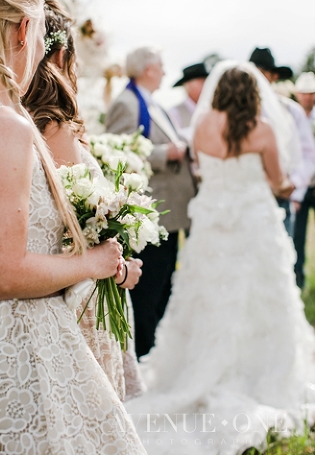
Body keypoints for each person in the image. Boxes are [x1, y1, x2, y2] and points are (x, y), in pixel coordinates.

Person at [0, 0, 144, 454]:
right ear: (25, 29)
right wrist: (92, 261)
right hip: (23, 347)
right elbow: (3, 271)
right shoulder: (2, 127)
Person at [127, 62, 315, 454]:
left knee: (207, 296)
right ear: (253, 94)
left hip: (212, 225)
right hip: (252, 224)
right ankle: (261, 370)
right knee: (260, 300)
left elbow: (199, 167)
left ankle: (196, 369)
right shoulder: (260, 129)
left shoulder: (201, 125)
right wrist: (291, 183)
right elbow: (277, 181)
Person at [22, 0, 145, 401]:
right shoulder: (53, 125)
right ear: (60, 53)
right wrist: (122, 270)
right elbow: (73, 226)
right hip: (77, 295)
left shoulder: (18, 118)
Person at [105, 46, 196, 358]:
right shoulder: (126, 103)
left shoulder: (152, 102)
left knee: (164, 282)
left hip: (170, 209)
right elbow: (117, 152)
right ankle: (141, 351)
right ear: (146, 69)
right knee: (150, 286)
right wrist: (164, 154)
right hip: (152, 210)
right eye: (160, 66)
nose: (165, 72)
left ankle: (151, 346)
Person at [250, 47, 314, 240]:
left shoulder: (291, 111)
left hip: (280, 198)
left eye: (262, 73)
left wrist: (294, 187)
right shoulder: (235, 113)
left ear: (273, 76)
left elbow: (308, 154)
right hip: (246, 199)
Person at [294, 71, 315, 287]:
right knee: (297, 236)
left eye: (312, 93)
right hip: (301, 186)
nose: (308, 97)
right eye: (305, 93)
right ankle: (298, 278)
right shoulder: (292, 116)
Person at [169, 62, 209, 141]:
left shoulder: (213, 109)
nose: (207, 84)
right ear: (189, 85)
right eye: (201, 81)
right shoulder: (174, 113)